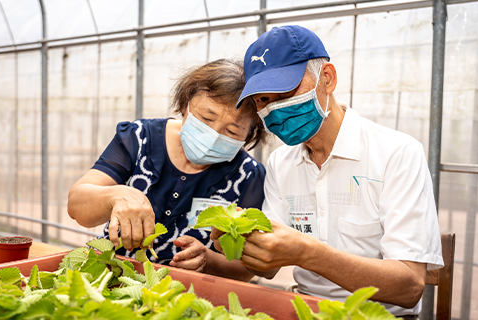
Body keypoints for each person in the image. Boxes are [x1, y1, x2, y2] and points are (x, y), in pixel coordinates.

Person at [211, 25, 444, 317]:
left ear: (328, 79)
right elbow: (269, 269)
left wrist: (308, 252)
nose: (275, 109)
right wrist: (235, 246)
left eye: (285, 91)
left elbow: (409, 287)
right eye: (263, 100)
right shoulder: (281, 163)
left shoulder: (396, 154)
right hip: (304, 309)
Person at [68, 59, 266, 281]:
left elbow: (247, 267)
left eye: (231, 131)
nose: (213, 136)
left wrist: (208, 260)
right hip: (112, 279)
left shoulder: (247, 175)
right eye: (206, 118)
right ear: (185, 104)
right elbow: (77, 205)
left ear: (249, 136)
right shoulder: (138, 138)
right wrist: (118, 195)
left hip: (185, 295)